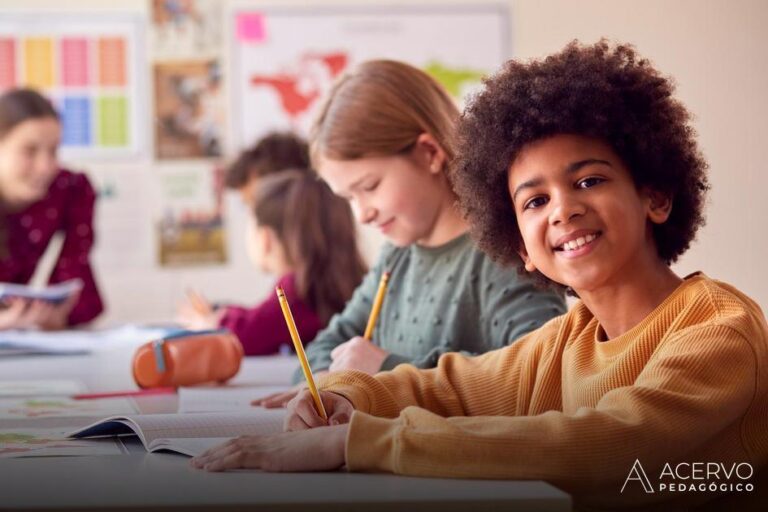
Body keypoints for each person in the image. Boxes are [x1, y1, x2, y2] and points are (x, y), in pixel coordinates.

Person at [191, 42, 768, 511]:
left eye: (589, 180)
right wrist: (343, 394)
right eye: (534, 200)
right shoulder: (564, 343)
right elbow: (449, 388)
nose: (562, 209)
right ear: (519, 245)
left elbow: (615, 446)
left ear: (656, 195)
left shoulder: (719, 332)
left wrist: (356, 441)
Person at [254, 60, 565, 406]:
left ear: (430, 153)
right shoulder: (397, 254)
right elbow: (326, 346)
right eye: (349, 198)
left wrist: (388, 371)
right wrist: (329, 382)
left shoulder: (508, 254)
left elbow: (538, 381)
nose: (362, 213)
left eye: (369, 186)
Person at [181, 171, 367, 355]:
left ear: (265, 238)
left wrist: (208, 324)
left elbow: (244, 336)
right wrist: (222, 313)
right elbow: (259, 317)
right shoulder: (340, 281)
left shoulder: (297, 291)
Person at [177, 131, 313, 331]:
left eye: (256, 206)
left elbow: (260, 328)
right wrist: (222, 313)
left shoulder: (306, 285)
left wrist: (215, 323)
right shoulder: (301, 278)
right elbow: (265, 317)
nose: (256, 221)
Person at [0, 88, 103, 329]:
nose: (46, 167)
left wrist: (59, 316)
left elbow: (74, 276)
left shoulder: (69, 188)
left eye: (53, 150)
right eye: (29, 151)